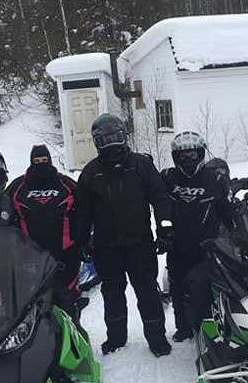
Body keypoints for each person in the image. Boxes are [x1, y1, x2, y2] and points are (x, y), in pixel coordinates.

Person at [75, 114, 174, 357]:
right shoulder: (91, 172)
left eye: (115, 137)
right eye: (105, 140)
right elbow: (82, 210)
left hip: (139, 243)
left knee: (147, 291)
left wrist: (164, 228)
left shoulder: (141, 165)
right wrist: (82, 240)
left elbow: (160, 198)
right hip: (106, 246)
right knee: (112, 292)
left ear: (123, 136)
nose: (111, 144)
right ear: (97, 143)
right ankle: (116, 338)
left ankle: (157, 338)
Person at [161, 132, 234, 342]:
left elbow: (226, 211)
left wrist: (237, 233)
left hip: (208, 245)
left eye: (192, 155)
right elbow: (152, 196)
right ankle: (183, 327)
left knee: (212, 286)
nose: (187, 159)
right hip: (177, 244)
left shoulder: (216, 180)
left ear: (200, 154)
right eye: (182, 156)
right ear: (176, 157)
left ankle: (213, 324)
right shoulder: (167, 177)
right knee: (177, 287)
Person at [6, 144, 85, 320]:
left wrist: (83, 239)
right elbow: (4, 212)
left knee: (68, 300)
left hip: (65, 254)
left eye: (44, 160)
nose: (41, 164)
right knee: (31, 303)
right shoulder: (17, 187)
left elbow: (84, 210)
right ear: (31, 162)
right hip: (30, 256)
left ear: (50, 160)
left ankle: (76, 336)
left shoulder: (67, 184)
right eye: (37, 161)